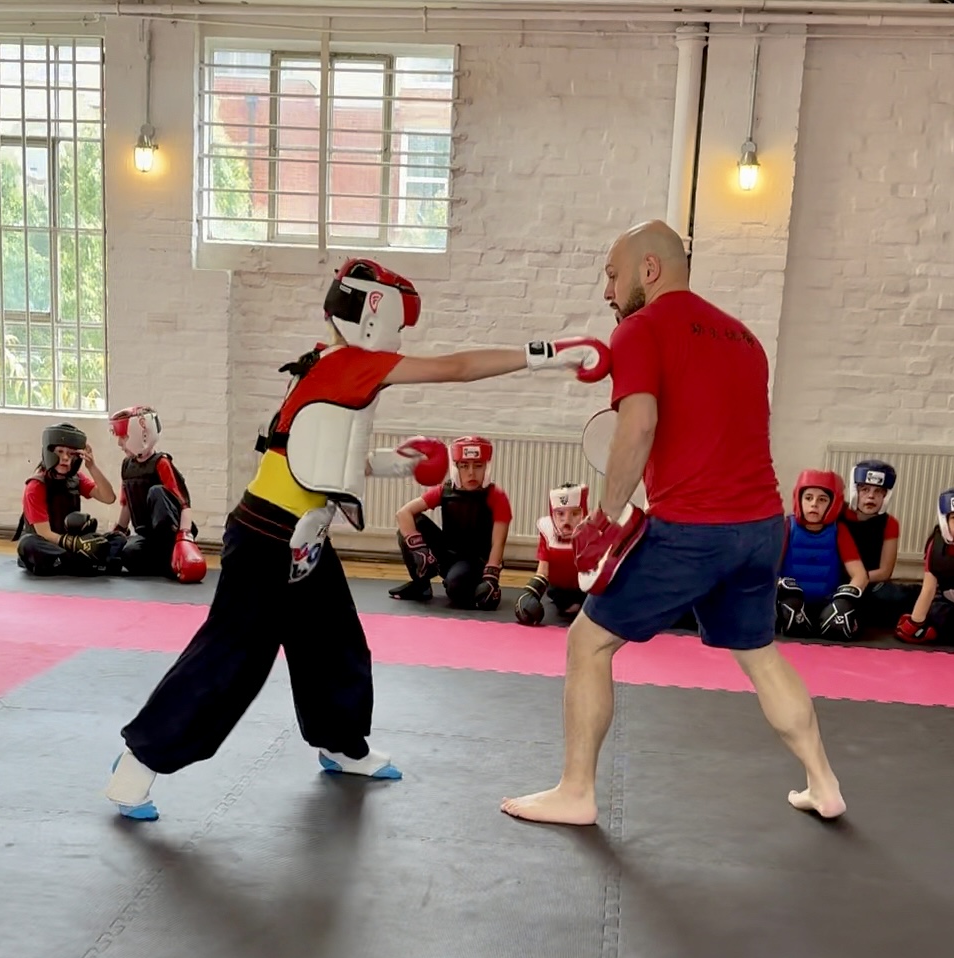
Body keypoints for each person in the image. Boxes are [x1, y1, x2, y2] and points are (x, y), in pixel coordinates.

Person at [104, 257, 611, 821]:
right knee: (231, 660)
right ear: (375, 311)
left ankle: (342, 745)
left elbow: (319, 460)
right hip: (267, 535)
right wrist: (551, 353)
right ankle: (137, 763)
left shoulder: (323, 363)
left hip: (304, 537)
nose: (402, 333)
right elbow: (459, 367)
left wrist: (398, 464)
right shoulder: (349, 364)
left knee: (334, 643)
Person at [500, 220, 846, 827]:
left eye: (613, 274)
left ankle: (576, 791)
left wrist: (605, 518)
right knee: (761, 654)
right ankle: (824, 783)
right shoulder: (744, 338)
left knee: (588, 641)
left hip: (693, 531)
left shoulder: (638, 329)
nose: (607, 291)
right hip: (764, 527)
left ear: (649, 269)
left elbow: (638, 427)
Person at [389, 436, 513, 609]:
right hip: (448, 554)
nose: (471, 472)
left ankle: (471, 586)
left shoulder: (496, 496)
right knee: (411, 524)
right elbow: (403, 513)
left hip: (475, 561)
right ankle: (421, 584)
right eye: (464, 466)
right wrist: (419, 550)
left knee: (456, 590)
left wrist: (491, 577)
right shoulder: (445, 490)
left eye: (478, 466)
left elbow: (498, 543)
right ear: (456, 468)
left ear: (487, 467)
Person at [108, 404, 206, 583]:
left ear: (141, 434)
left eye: (124, 437)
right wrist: (118, 532)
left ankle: (172, 552)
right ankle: (166, 564)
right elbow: (127, 504)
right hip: (147, 535)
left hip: (171, 532)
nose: (120, 443)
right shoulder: (127, 466)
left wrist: (185, 537)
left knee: (156, 492)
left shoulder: (161, 463)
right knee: (128, 554)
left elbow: (183, 502)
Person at [14, 422, 121, 576]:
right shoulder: (36, 486)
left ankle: (82, 563)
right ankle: (87, 563)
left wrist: (92, 467)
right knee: (27, 544)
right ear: (49, 452)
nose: (65, 458)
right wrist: (76, 545)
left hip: (69, 544)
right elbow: (45, 534)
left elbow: (108, 497)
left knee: (117, 539)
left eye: (71, 454)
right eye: (60, 452)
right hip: (49, 544)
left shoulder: (75, 478)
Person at [776, 469, 869, 642]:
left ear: (833, 503)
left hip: (827, 601)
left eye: (822, 499)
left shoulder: (839, 531)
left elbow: (860, 575)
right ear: (799, 499)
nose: (814, 504)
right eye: (808, 497)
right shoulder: (787, 527)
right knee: (790, 612)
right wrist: (779, 584)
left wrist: (846, 595)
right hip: (794, 600)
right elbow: (769, 568)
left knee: (840, 622)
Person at [838, 460, 915, 628]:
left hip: (870, 583)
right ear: (854, 490)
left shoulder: (890, 523)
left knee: (901, 597)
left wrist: (855, 583)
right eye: (865, 489)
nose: (871, 496)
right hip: (835, 581)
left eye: (878, 491)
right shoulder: (837, 515)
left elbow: (885, 571)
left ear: (886, 496)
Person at [895, 488, 954, 645]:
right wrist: (915, 623)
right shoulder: (937, 546)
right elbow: (928, 588)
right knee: (936, 614)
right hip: (950, 602)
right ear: (944, 521)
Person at [515, 482, 589, 625]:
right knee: (570, 608)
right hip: (559, 590)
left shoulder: (593, 530)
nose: (566, 521)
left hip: (587, 588)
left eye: (575, 513)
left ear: (584, 512)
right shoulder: (547, 531)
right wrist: (529, 594)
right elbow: (543, 571)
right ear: (552, 512)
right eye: (560, 513)